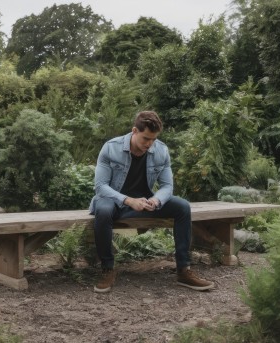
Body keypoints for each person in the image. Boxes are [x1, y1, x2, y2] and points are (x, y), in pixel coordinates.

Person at [89, 111, 214, 293]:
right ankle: (107, 268)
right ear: (134, 131)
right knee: (103, 211)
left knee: (182, 207)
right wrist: (128, 200)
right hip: (114, 201)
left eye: (153, 139)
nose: (149, 144)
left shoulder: (161, 150)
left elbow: (167, 186)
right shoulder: (110, 148)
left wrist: (156, 200)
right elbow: (100, 187)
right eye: (146, 138)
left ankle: (183, 270)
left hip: (145, 203)